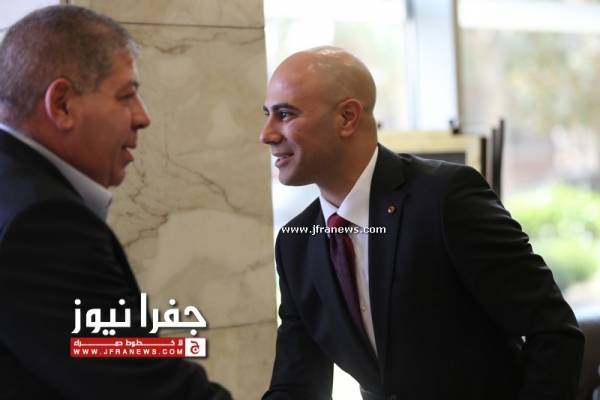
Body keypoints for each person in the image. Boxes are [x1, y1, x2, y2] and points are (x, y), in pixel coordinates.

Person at [260, 46, 584, 400]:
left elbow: (553, 331)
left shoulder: (446, 198)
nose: (267, 134)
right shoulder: (295, 244)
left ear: (347, 117)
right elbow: (297, 385)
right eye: (267, 115)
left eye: (285, 114)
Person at [0, 5, 231, 399]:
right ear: (62, 105)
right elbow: (149, 388)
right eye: (126, 96)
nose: (143, 117)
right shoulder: (44, 223)